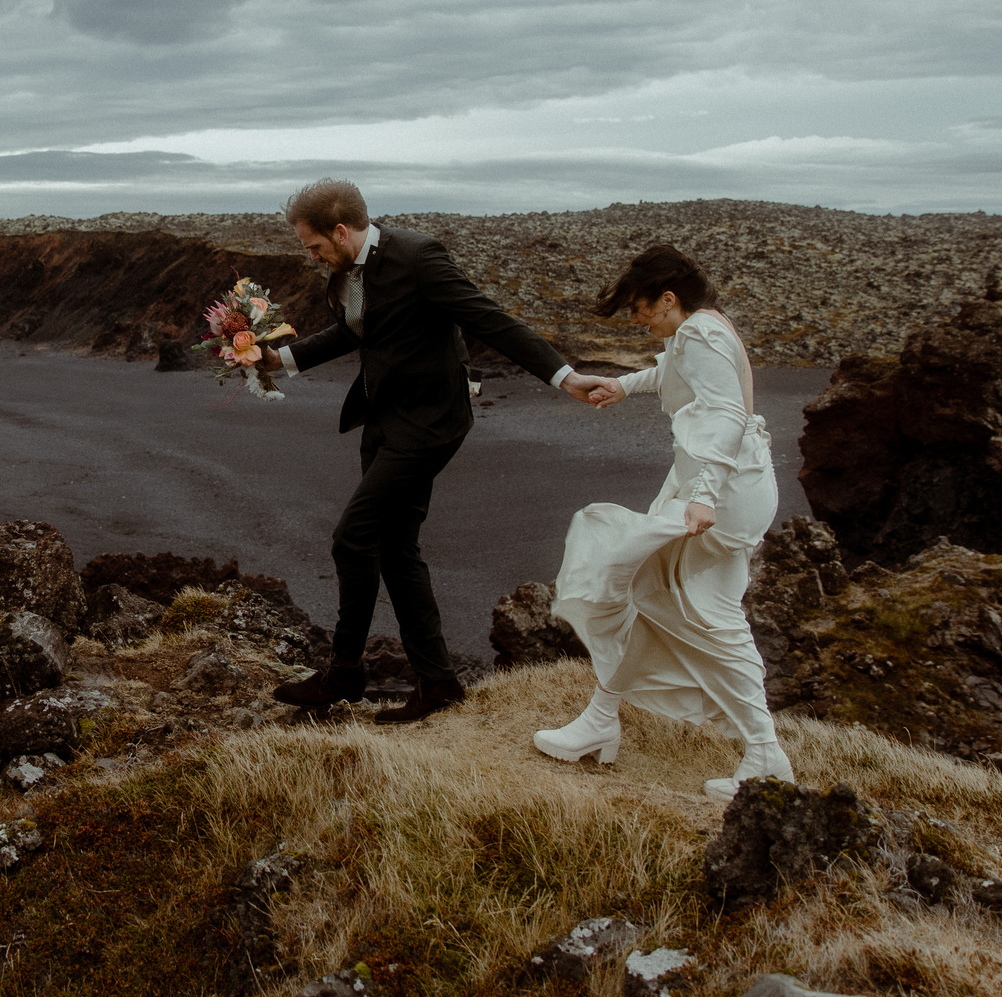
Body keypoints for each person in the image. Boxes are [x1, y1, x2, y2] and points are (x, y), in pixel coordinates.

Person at [266, 178, 603, 722]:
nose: (311, 256)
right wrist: (277, 361)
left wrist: (564, 378)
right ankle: (437, 684)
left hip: (428, 424)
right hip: (382, 417)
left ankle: (345, 672)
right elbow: (355, 332)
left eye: (314, 246)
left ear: (341, 230)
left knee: (354, 538)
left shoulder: (418, 256)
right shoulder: (348, 273)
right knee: (396, 546)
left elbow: (487, 317)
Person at [534, 244, 794, 800]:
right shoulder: (700, 329)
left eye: (639, 308)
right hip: (723, 485)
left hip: (719, 493)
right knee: (655, 595)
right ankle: (602, 719)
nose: (635, 319)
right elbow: (672, 375)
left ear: (669, 299)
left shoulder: (700, 333)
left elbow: (726, 413)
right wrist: (621, 386)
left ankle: (765, 753)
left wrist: (702, 495)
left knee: (676, 602)